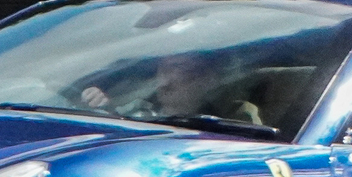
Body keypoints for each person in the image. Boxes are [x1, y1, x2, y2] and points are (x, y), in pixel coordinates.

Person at [78, 52, 262, 125]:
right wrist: (102, 107)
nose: (164, 78)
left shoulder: (234, 119)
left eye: (178, 68)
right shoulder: (138, 109)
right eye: (162, 68)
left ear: (209, 79)